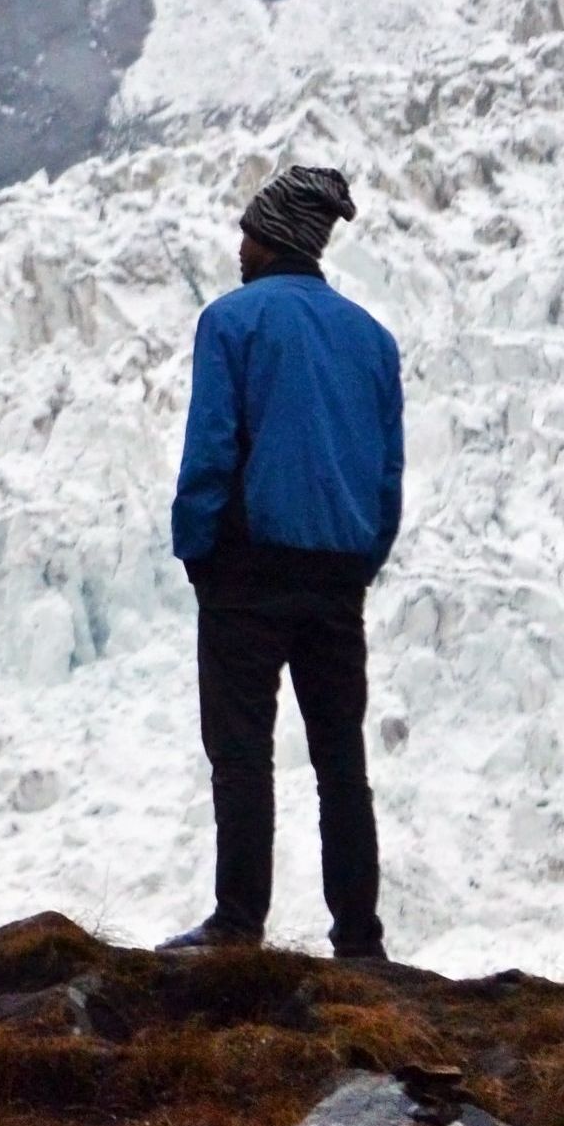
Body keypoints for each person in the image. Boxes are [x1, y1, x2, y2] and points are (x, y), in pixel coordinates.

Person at [170, 163, 402, 965]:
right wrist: (361, 559)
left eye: (247, 232)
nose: (239, 246)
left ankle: (239, 922)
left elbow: (211, 447)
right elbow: (387, 471)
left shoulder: (231, 321)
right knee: (342, 760)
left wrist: (198, 548)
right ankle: (359, 938)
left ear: (270, 239)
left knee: (242, 754)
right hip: (337, 576)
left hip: (246, 572)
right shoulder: (371, 338)